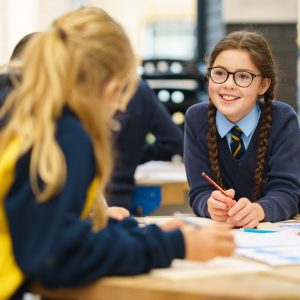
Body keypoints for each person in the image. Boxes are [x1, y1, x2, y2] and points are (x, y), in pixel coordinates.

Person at [0, 7, 235, 299]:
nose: (122, 108)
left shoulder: (22, 112)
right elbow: (57, 256)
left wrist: (150, 235)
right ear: (110, 86)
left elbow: (43, 224)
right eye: (124, 92)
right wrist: (177, 246)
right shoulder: (66, 134)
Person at [184, 30, 300, 229]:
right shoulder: (196, 118)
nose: (228, 84)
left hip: (272, 236)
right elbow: (199, 192)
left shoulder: (283, 119)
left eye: (243, 77)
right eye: (219, 73)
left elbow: (288, 192)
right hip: (223, 236)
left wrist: (259, 210)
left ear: (263, 85)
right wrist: (210, 206)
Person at [106, 79, 183, 215]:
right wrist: (131, 156)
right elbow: (174, 141)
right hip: (119, 198)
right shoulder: (137, 89)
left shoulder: (75, 86)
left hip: (81, 201)